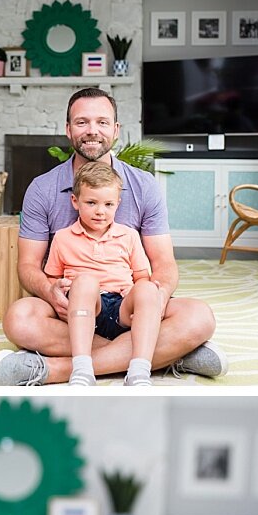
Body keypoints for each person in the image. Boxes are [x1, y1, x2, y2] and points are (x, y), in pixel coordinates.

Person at [0, 88, 226, 387]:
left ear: (115, 130)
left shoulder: (144, 186)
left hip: (130, 304)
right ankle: (167, 354)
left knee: (199, 317)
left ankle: (53, 370)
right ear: (67, 129)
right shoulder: (42, 188)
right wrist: (51, 293)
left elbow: (164, 263)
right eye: (81, 122)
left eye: (102, 122)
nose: (92, 131)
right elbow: (28, 266)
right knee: (19, 319)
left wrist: (155, 302)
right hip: (74, 306)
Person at [42, 161, 164, 389]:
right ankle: (82, 369)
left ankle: (139, 371)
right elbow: (51, 278)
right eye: (91, 203)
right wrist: (56, 289)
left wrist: (139, 295)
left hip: (121, 308)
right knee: (86, 281)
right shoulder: (62, 237)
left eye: (108, 204)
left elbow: (141, 276)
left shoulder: (128, 236)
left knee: (149, 289)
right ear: (75, 202)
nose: (100, 211)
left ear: (118, 204)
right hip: (85, 307)